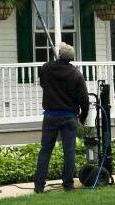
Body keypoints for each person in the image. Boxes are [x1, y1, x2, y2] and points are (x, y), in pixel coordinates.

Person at [34, 42, 89, 193]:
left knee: (45, 151)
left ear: (59, 55)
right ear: (71, 57)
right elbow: (84, 99)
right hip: (69, 117)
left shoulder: (46, 68)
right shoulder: (76, 74)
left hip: (51, 116)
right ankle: (68, 185)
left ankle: (39, 186)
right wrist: (83, 117)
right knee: (69, 151)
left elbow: (43, 84)